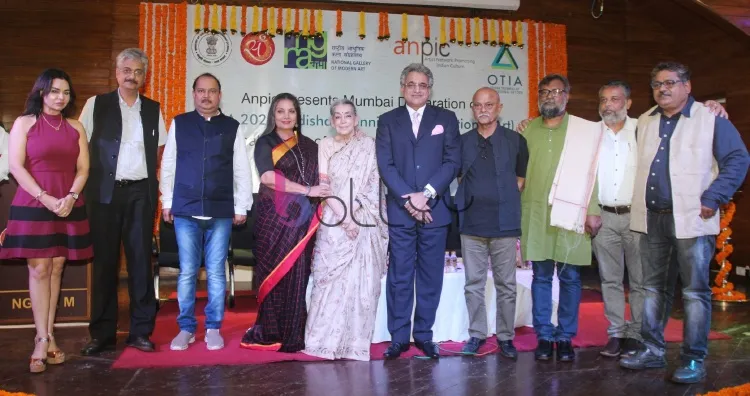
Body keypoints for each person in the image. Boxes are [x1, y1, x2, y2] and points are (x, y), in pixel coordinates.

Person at [621, 62, 749, 384]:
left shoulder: (710, 118)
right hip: (652, 221)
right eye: (656, 84)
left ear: (687, 86)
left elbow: (738, 159)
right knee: (651, 290)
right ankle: (652, 351)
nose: (662, 89)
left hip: (692, 219)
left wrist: (713, 197)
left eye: (670, 83)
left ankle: (694, 359)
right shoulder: (646, 121)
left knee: (694, 293)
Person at [0, 69, 92, 373]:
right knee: (39, 269)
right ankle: (40, 339)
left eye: (65, 92)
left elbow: (83, 170)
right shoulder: (24, 124)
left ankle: (50, 335)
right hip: (33, 201)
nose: (60, 97)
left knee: (56, 268)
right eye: (54, 91)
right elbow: (15, 166)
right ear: (41, 92)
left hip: (67, 203)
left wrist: (70, 197)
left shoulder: (76, 126)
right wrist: (45, 197)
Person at [79, 48, 167, 355]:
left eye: (138, 72)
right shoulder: (95, 105)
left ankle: (140, 331)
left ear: (145, 77)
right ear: (117, 73)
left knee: (141, 262)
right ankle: (101, 334)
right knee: (104, 263)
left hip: (140, 194)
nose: (132, 76)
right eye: (126, 70)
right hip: (103, 194)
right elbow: (81, 148)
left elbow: (159, 155)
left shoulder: (153, 109)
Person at [160, 73, 253, 351]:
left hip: (220, 210)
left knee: (215, 272)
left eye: (212, 91)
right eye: (201, 91)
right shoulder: (180, 124)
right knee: (187, 272)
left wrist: (241, 205)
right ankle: (186, 328)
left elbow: (241, 169)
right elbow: (169, 165)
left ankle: (213, 327)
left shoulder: (232, 127)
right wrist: (167, 201)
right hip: (186, 210)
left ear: (219, 95)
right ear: (193, 93)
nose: (206, 96)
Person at [376, 63, 461, 359]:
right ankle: (398, 337)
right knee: (400, 276)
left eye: (422, 85)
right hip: (401, 212)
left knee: (429, 276)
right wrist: (408, 199)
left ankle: (424, 334)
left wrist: (425, 195)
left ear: (429, 89)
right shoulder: (387, 120)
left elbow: (452, 162)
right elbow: (385, 164)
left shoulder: (446, 119)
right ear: (402, 88)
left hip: (434, 211)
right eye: (411, 84)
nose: (416, 89)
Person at [520, 74, 603, 363]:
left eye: (556, 91)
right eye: (544, 92)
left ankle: (565, 336)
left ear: (567, 95)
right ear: (538, 96)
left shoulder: (584, 130)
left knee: (570, 278)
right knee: (541, 277)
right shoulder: (528, 130)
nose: (550, 96)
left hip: (572, 214)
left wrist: (593, 209)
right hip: (537, 215)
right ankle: (544, 335)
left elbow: (594, 175)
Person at [240, 93, 329, 352]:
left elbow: (322, 179)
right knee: (273, 273)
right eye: (281, 111)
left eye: (292, 111)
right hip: (272, 219)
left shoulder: (311, 146)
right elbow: (267, 177)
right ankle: (269, 330)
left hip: (303, 221)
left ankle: (294, 333)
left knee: (299, 274)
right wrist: (306, 190)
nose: (287, 116)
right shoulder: (264, 142)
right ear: (273, 115)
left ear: (298, 116)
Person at [303, 99, 389, 361]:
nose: (343, 121)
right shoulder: (325, 146)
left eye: (347, 116)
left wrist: (356, 217)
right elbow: (324, 187)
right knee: (327, 279)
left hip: (364, 218)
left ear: (356, 118)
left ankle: (353, 342)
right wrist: (344, 218)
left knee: (361, 282)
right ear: (331, 121)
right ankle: (322, 340)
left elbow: (374, 185)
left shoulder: (369, 146)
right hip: (334, 219)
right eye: (337, 117)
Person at [456, 87, 528, 358]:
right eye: (478, 105)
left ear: (499, 107)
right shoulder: (462, 142)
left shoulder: (515, 140)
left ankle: (506, 337)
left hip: (504, 224)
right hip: (472, 224)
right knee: (473, 283)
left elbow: (520, 181)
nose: (483, 109)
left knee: (506, 285)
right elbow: (461, 177)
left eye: (489, 104)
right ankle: (476, 335)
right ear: (472, 109)